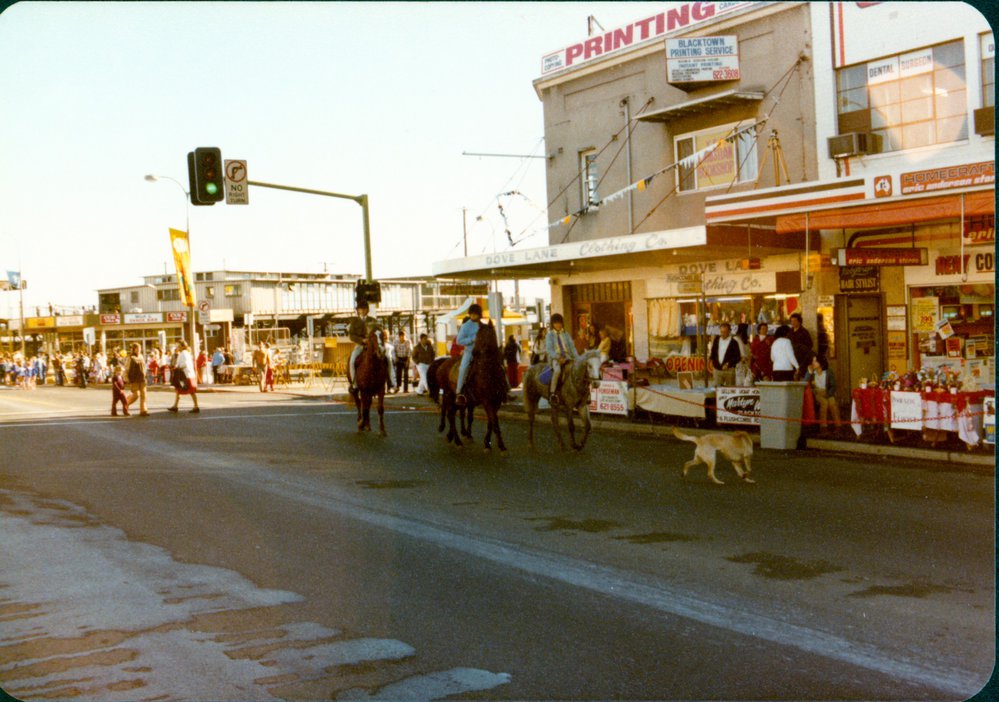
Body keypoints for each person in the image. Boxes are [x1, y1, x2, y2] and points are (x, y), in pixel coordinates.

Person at [348, 299, 383, 390]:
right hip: (360, 346)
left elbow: (379, 331)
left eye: (364, 309)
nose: (363, 310)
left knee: (386, 358)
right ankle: (354, 383)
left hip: (373, 346)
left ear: (367, 310)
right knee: (352, 361)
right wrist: (362, 340)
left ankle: (389, 383)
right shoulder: (354, 321)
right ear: (358, 310)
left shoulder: (373, 320)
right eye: (361, 309)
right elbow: (351, 336)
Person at [544, 313, 578, 404]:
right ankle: (552, 393)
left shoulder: (566, 334)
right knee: (557, 371)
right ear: (552, 324)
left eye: (560, 322)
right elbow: (549, 350)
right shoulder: (549, 335)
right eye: (556, 323)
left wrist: (577, 358)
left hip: (567, 356)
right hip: (556, 358)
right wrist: (558, 357)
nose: (558, 325)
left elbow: (572, 347)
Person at [454, 304, 483, 406]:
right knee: (463, 368)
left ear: (479, 315)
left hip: (483, 352)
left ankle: (505, 389)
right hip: (470, 352)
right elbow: (459, 341)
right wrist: (471, 340)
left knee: (498, 364)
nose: (473, 316)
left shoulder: (483, 325)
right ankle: (459, 392)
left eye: (476, 314)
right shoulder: (465, 326)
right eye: (472, 314)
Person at [805, 355, 840, 435]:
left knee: (832, 402)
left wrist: (828, 394)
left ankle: (838, 426)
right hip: (817, 393)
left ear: (821, 363)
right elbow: (804, 382)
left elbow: (833, 386)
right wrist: (808, 373)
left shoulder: (828, 372)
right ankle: (823, 427)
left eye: (815, 361)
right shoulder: (812, 373)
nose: (813, 363)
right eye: (813, 361)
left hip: (827, 392)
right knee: (824, 403)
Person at [167, 340, 200, 413]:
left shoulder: (184, 353)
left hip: (186, 375)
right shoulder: (184, 353)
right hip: (186, 374)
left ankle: (196, 406)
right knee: (178, 389)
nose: (177, 347)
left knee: (191, 391)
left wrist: (178, 366)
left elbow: (185, 363)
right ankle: (175, 406)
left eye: (178, 346)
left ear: (182, 346)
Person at [709, 321, 742, 388]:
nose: (723, 334)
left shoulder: (734, 342)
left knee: (730, 389)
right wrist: (711, 360)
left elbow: (738, 357)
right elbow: (713, 351)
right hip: (717, 369)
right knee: (717, 389)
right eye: (721, 332)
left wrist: (728, 364)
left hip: (729, 370)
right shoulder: (716, 340)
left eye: (725, 332)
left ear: (729, 331)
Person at [124, 342, 149, 417]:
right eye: (137, 349)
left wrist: (145, 375)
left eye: (140, 349)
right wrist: (126, 378)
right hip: (134, 379)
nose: (139, 350)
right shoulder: (130, 358)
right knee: (136, 395)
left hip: (142, 379)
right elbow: (126, 368)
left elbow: (144, 367)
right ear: (134, 349)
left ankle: (143, 410)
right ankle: (126, 405)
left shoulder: (141, 356)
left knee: (144, 395)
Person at [787, 312, 814, 380]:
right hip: (791, 359)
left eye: (795, 321)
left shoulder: (804, 332)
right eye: (791, 321)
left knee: (802, 378)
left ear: (799, 321)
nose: (793, 323)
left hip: (802, 360)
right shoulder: (789, 332)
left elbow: (810, 345)